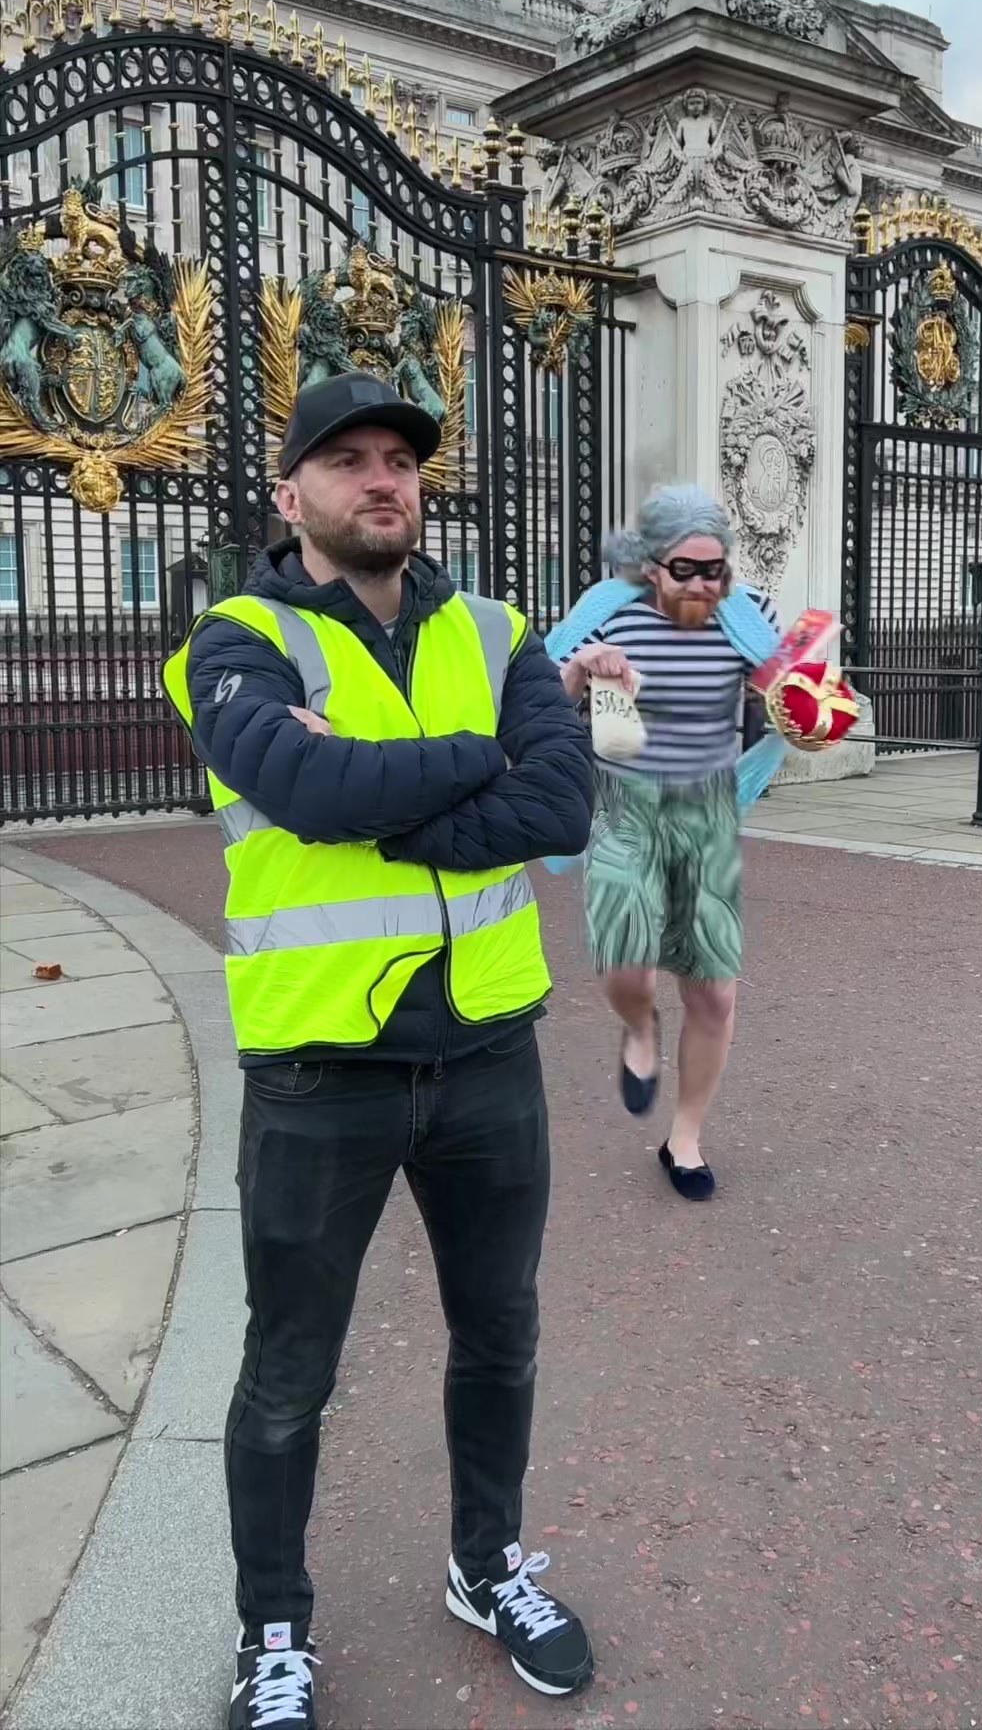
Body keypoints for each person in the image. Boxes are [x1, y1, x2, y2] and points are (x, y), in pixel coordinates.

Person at [162, 373, 595, 1730]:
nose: (380, 478)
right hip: (319, 1069)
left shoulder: (497, 629)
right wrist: (478, 763)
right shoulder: (235, 640)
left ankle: (485, 1565)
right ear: (290, 495)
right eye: (346, 459)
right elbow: (300, 784)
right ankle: (272, 1629)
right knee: (290, 1371)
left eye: (399, 458)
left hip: (487, 1055)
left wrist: (385, 793)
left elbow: (563, 805)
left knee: (501, 1335)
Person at [556, 484, 778, 1202]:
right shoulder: (606, 611)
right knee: (629, 972)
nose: (703, 584)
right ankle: (639, 1027)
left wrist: (806, 709)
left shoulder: (750, 616)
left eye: (716, 569)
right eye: (686, 569)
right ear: (651, 566)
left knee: (713, 994)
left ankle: (684, 1139)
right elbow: (537, 701)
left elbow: (792, 697)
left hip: (707, 816)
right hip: (626, 809)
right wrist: (582, 670)